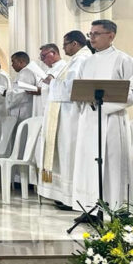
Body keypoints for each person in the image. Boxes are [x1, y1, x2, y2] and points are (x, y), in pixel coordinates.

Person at [73, 20, 133, 212]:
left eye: (96, 34)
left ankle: (116, 208)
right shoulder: (86, 62)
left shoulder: (124, 60)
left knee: (112, 164)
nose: (92, 38)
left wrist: (106, 106)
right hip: (89, 119)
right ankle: (92, 208)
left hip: (112, 120)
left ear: (111, 36)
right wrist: (84, 102)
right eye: (90, 34)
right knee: (89, 164)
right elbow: (79, 89)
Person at [37, 31, 93, 209]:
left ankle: (71, 198)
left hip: (71, 116)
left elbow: (72, 88)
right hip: (65, 114)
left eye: (65, 45)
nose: (64, 48)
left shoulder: (81, 59)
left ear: (75, 44)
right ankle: (65, 195)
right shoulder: (76, 60)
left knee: (69, 155)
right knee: (64, 155)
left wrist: (52, 83)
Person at [6, 52, 42, 125]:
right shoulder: (26, 72)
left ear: (21, 62)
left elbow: (19, 93)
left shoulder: (25, 72)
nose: (12, 65)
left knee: (23, 134)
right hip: (23, 110)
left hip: (23, 112)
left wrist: (6, 93)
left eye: (13, 62)